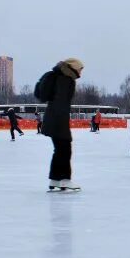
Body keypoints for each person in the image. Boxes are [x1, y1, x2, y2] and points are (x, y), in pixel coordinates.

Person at [38, 58, 83, 191]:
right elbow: (61, 103)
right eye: (80, 69)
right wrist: (62, 125)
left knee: (59, 150)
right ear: (73, 68)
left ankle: (55, 179)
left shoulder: (59, 77)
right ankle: (64, 180)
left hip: (53, 118)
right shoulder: (66, 80)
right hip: (58, 119)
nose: (81, 72)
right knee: (65, 150)